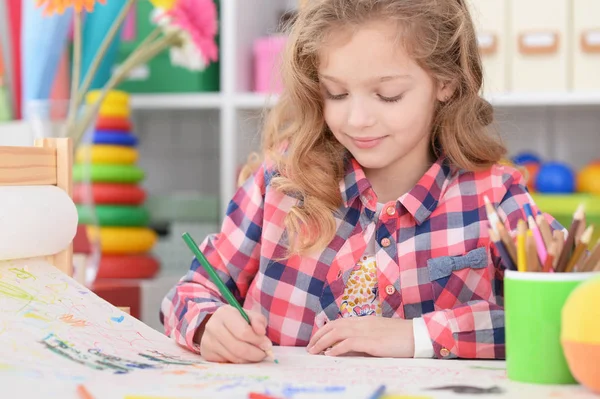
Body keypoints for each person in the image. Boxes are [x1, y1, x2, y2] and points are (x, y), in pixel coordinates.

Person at [160, 0, 563, 364]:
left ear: (446, 83)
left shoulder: (493, 195)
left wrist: (418, 335)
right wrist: (208, 325)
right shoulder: (282, 183)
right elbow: (189, 292)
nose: (356, 120)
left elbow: (564, 312)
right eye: (336, 93)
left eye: (387, 95)